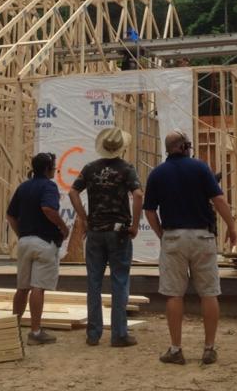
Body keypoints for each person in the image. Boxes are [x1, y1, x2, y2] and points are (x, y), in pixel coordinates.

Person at [143, 130, 237, 366]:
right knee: (209, 293)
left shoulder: (157, 174)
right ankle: (209, 348)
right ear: (185, 147)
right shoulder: (201, 168)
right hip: (202, 236)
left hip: (173, 236)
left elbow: (150, 211)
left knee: (174, 294)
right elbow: (219, 201)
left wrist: (161, 234)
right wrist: (232, 227)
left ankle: (176, 349)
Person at [69, 127, 143, 348]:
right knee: (119, 281)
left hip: (96, 232)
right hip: (119, 231)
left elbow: (73, 192)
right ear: (122, 148)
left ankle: (93, 333)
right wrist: (136, 225)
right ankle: (119, 334)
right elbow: (138, 194)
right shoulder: (127, 169)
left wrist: (84, 219)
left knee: (94, 282)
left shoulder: (90, 169)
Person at [7, 152, 69, 345]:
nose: (55, 170)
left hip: (25, 241)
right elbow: (48, 209)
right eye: (54, 167)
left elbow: (10, 216)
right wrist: (63, 227)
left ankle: (13, 329)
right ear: (47, 168)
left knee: (22, 288)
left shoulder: (23, 187)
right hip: (44, 241)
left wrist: (22, 235)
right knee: (38, 287)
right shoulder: (49, 186)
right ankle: (35, 331)